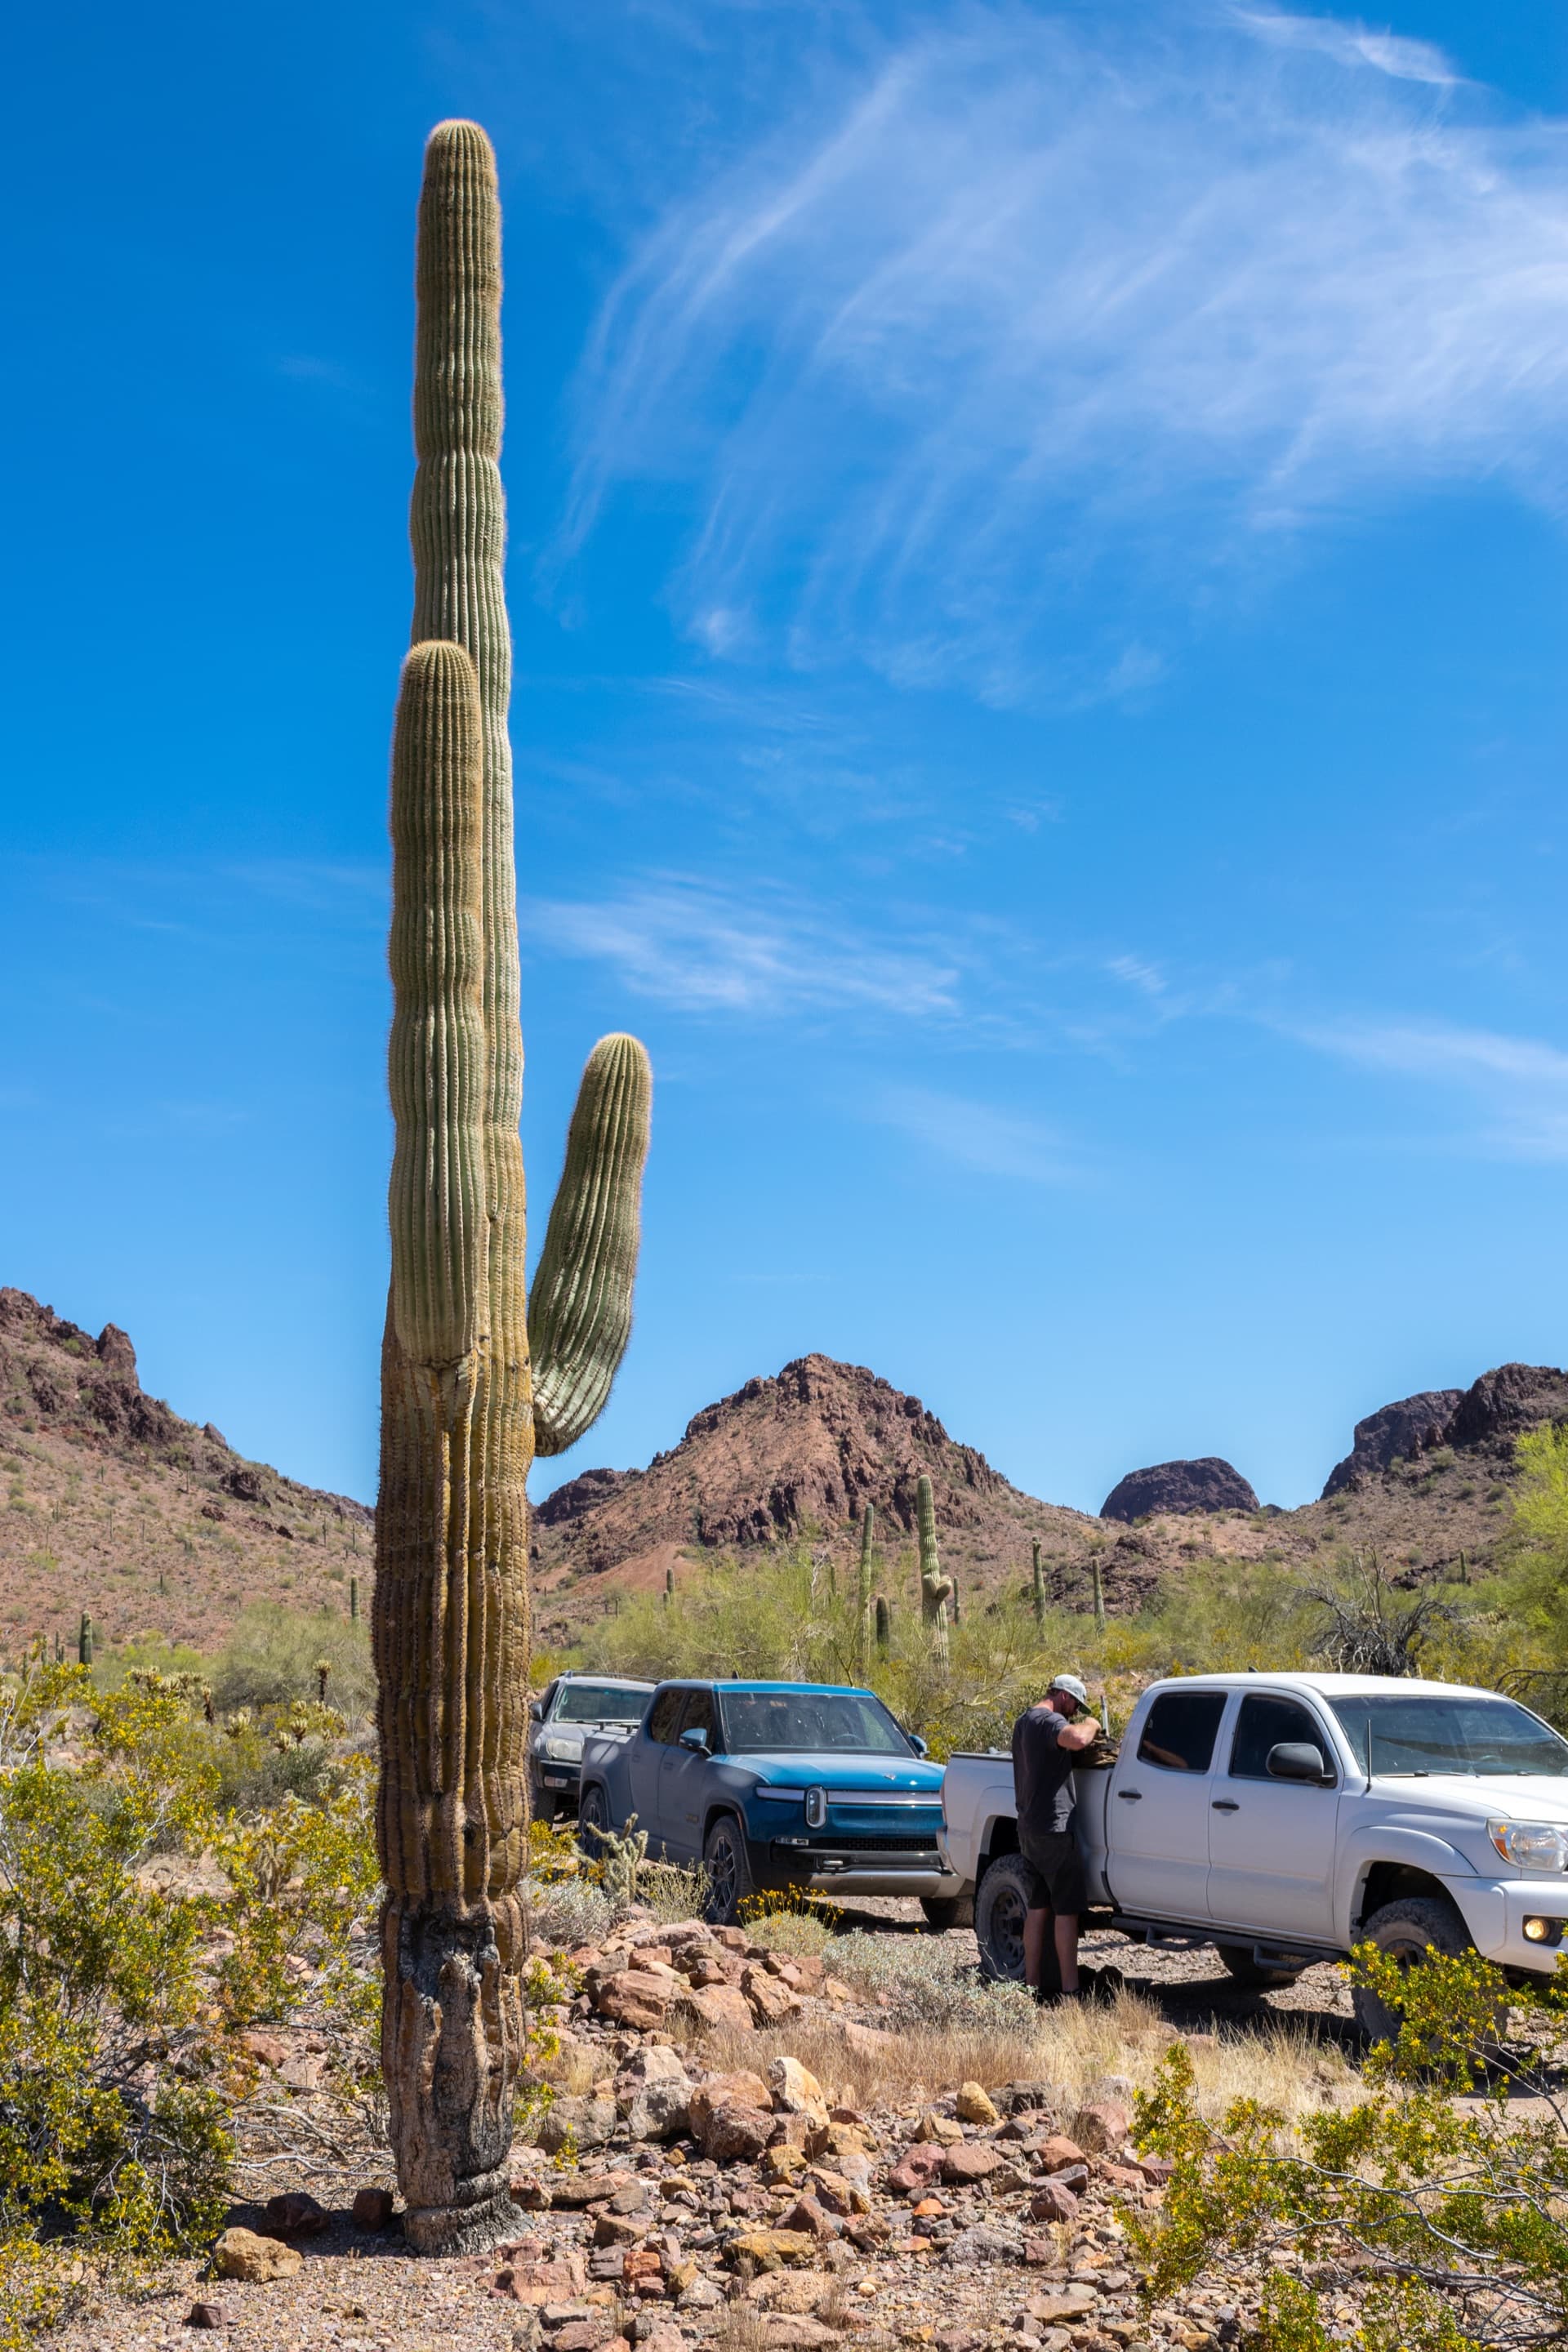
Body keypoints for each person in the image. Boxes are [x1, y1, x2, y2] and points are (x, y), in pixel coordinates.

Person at [1011, 1673, 1099, 1999]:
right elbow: (1077, 1739)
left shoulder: (1024, 1722)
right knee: (1066, 1911)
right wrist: (1092, 1724)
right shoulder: (1047, 1721)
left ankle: (1032, 1986)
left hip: (1030, 1828)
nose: (1074, 1711)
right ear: (1063, 1696)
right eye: (1075, 1704)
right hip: (1055, 1829)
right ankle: (1070, 1991)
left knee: (1038, 1908)